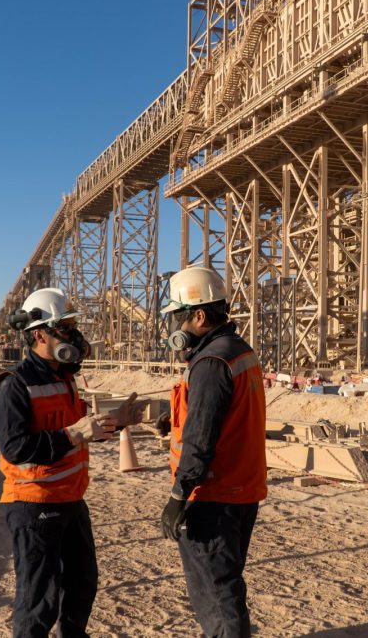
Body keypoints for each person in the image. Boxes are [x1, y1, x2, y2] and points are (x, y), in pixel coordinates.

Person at [0, 287, 113, 638]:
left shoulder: (63, 378)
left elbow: (76, 429)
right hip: (34, 504)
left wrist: (116, 421)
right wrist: (73, 434)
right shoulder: (15, 385)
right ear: (40, 333)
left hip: (71, 499)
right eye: (65, 328)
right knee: (38, 600)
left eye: (73, 326)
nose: (74, 336)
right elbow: (14, 447)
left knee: (82, 584)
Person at [158, 267, 267, 637]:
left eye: (177, 316)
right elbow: (220, 416)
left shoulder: (210, 362)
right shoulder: (239, 352)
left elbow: (201, 440)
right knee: (227, 585)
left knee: (217, 593)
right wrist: (172, 421)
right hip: (243, 490)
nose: (173, 325)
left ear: (199, 316)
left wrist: (177, 496)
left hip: (212, 496)